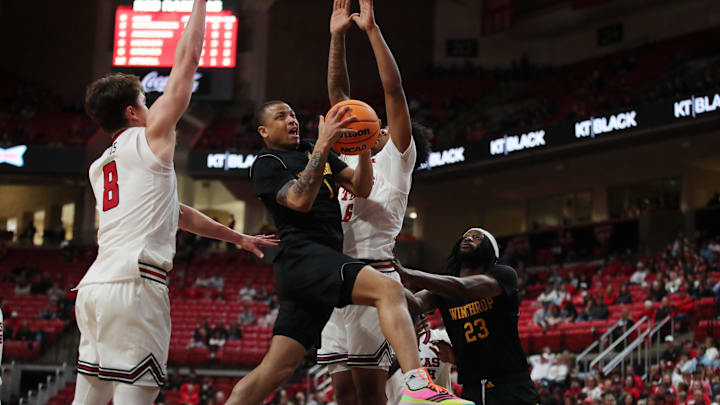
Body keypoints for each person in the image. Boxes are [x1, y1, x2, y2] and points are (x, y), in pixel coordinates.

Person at [74, 2, 278, 403]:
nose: (155, 109)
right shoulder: (149, 137)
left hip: (94, 287)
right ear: (133, 112)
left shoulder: (100, 167)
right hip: (136, 285)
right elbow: (186, 64)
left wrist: (237, 238)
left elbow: (177, 212)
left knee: (89, 398)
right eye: (147, 104)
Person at [227, 88, 467, 405]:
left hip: (314, 268)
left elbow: (361, 185)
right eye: (281, 116)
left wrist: (364, 146)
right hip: (305, 256)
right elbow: (299, 200)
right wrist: (324, 145)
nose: (291, 120)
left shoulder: (314, 149)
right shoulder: (267, 162)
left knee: (277, 367)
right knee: (390, 291)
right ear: (263, 131)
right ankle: (417, 385)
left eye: (293, 114)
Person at [315, 1, 432, 404]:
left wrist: (372, 32)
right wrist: (337, 38)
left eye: (380, 125)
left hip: (373, 273)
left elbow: (393, 92)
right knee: (343, 393)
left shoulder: (398, 161)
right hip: (335, 278)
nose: (375, 125)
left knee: (369, 392)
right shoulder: (350, 156)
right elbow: (339, 98)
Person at [395, 228, 540, 405]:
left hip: (511, 385)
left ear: (489, 249)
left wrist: (406, 273)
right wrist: (387, 276)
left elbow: (464, 288)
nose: (468, 239)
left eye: (477, 238)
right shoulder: (445, 288)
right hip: (471, 389)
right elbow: (415, 304)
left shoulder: (503, 274)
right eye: (465, 236)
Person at [386, 315, 455, 405]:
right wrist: (409, 339)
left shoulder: (442, 337)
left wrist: (455, 359)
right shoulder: (384, 341)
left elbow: (474, 363)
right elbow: (380, 378)